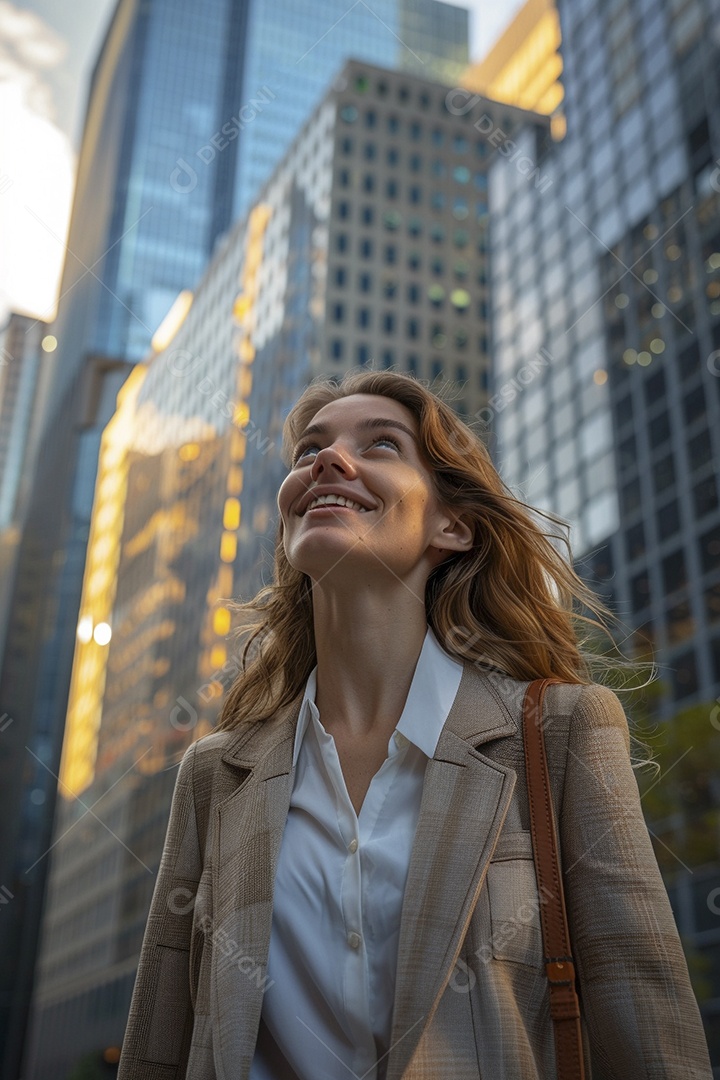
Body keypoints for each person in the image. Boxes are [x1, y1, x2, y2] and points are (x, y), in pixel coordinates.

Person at [117, 369, 712, 1079]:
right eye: (311, 449)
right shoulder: (214, 776)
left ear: (451, 526)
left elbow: (647, 1026)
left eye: (381, 446)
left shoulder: (561, 731)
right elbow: (158, 1046)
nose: (328, 461)